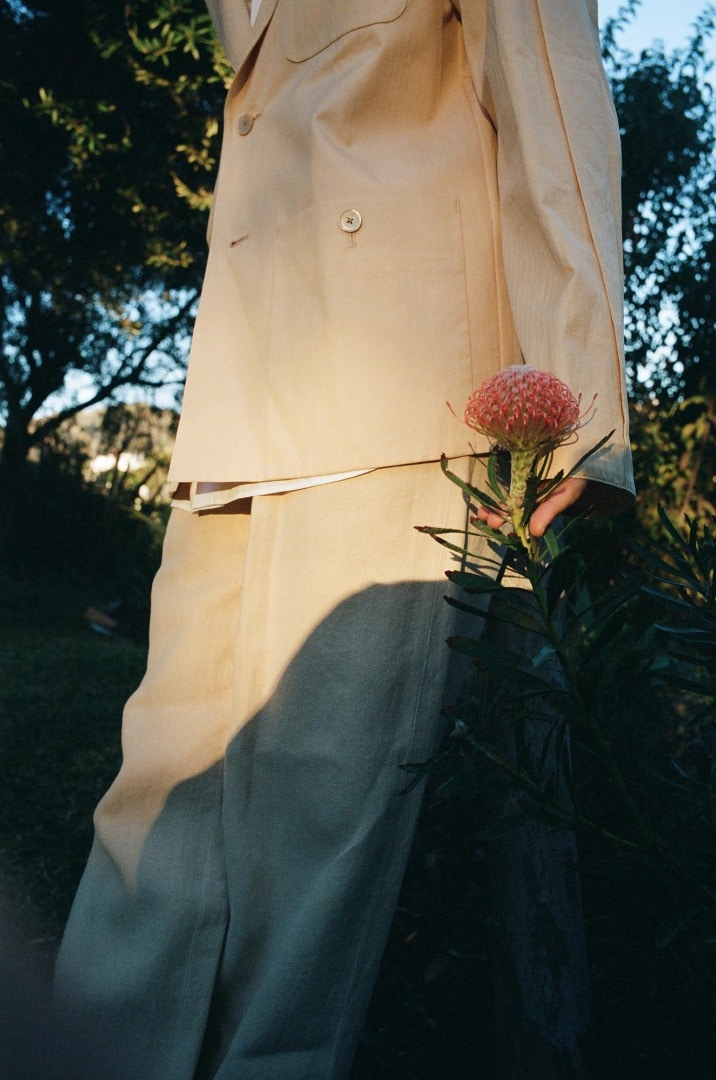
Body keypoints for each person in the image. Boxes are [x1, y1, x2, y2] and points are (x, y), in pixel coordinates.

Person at [54, 2, 634, 1078]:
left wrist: (574, 401)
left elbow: (548, 90)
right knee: (147, 830)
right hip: (237, 394)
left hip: (401, 389)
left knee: (309, 868)